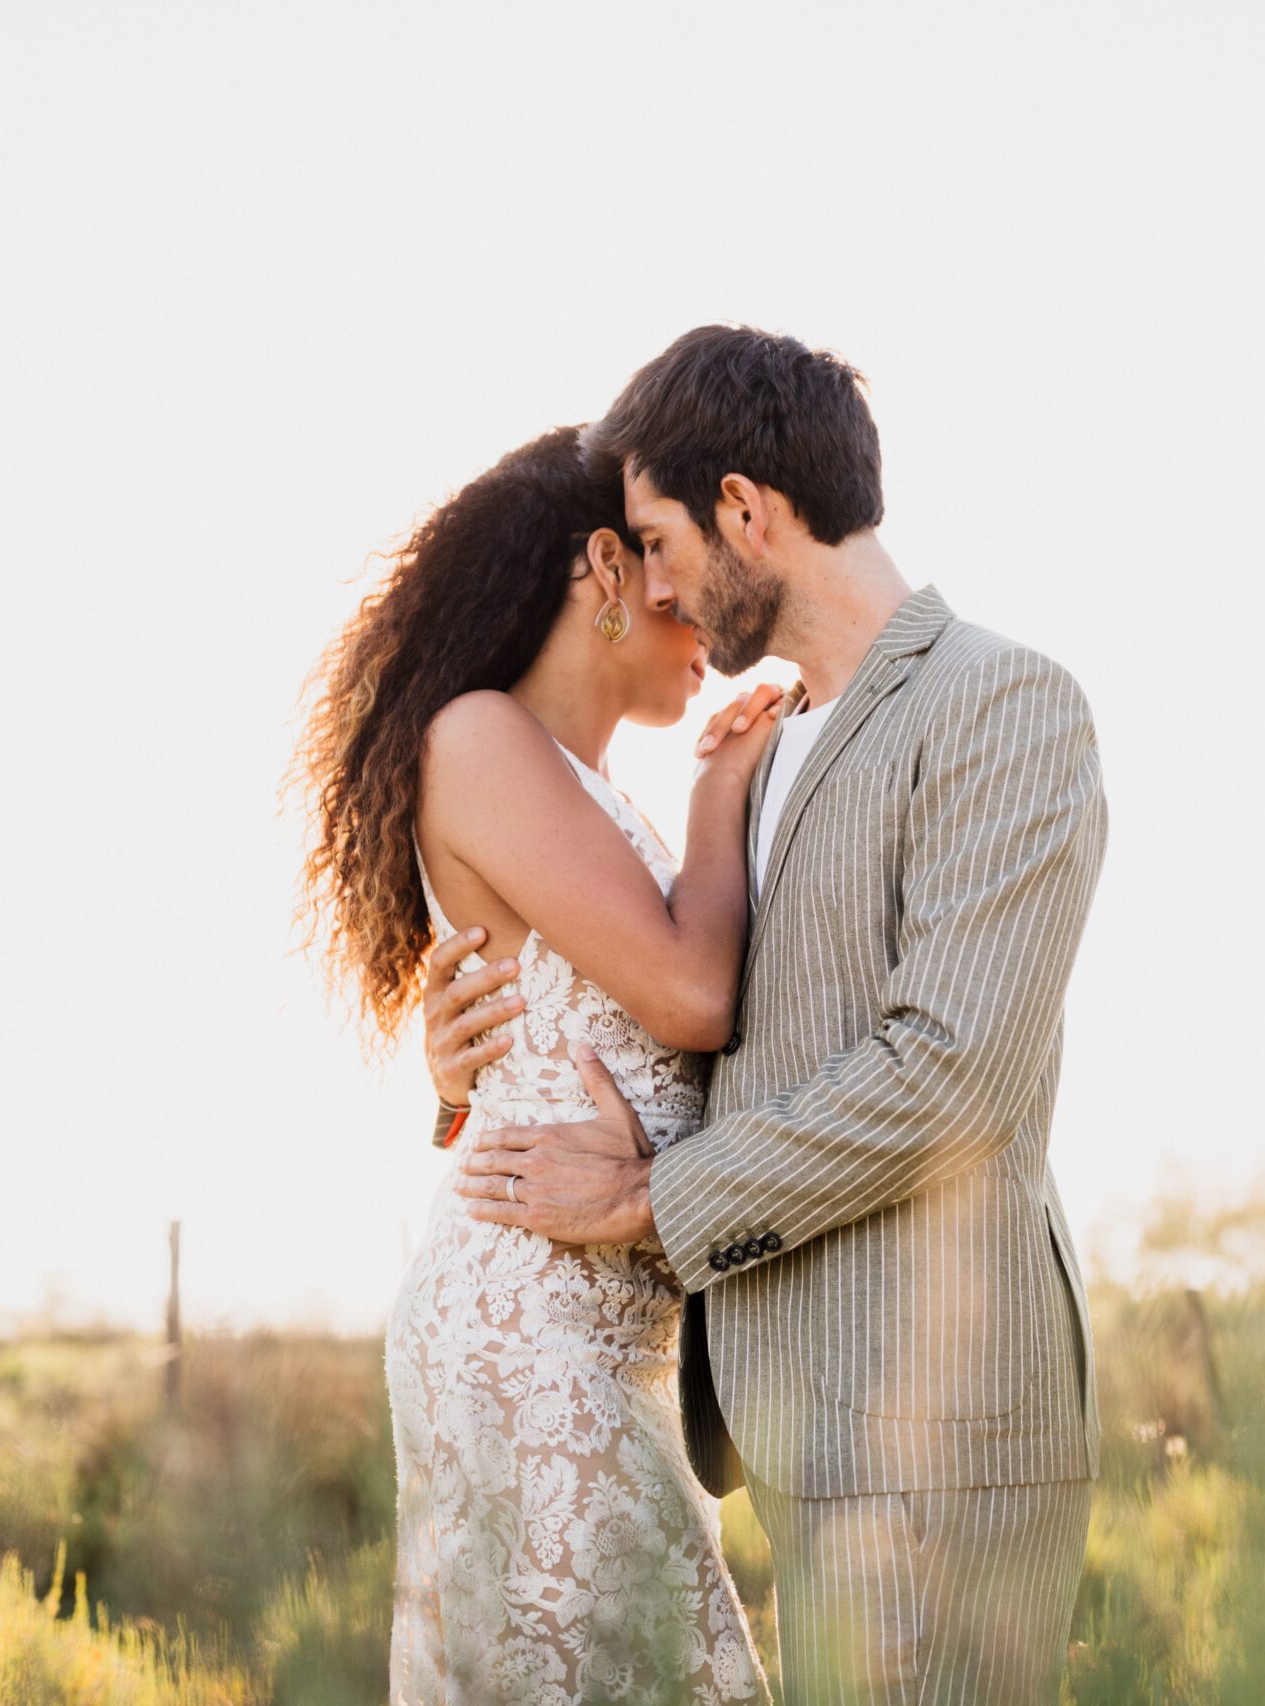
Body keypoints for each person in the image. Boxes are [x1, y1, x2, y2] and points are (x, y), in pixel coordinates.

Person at [426, 327, 1109, 1705]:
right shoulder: (770, 744)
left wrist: (642, 1199)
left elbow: (950, 1078)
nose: (653, 581)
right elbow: (691, 1020)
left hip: (942, 1418)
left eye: (660, 537)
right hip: (806, 1417)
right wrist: (467, 1071)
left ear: (747, 510)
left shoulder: (1002, 701)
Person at [293, 422, 789, 1703]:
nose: (701, 606)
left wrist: (463, 1090)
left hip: (602, 1325)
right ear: (605, 571)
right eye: (669, 561)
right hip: (532, 1324)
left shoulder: (570, 776)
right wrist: (720, 793)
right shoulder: (479, 735)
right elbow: (689, 990)